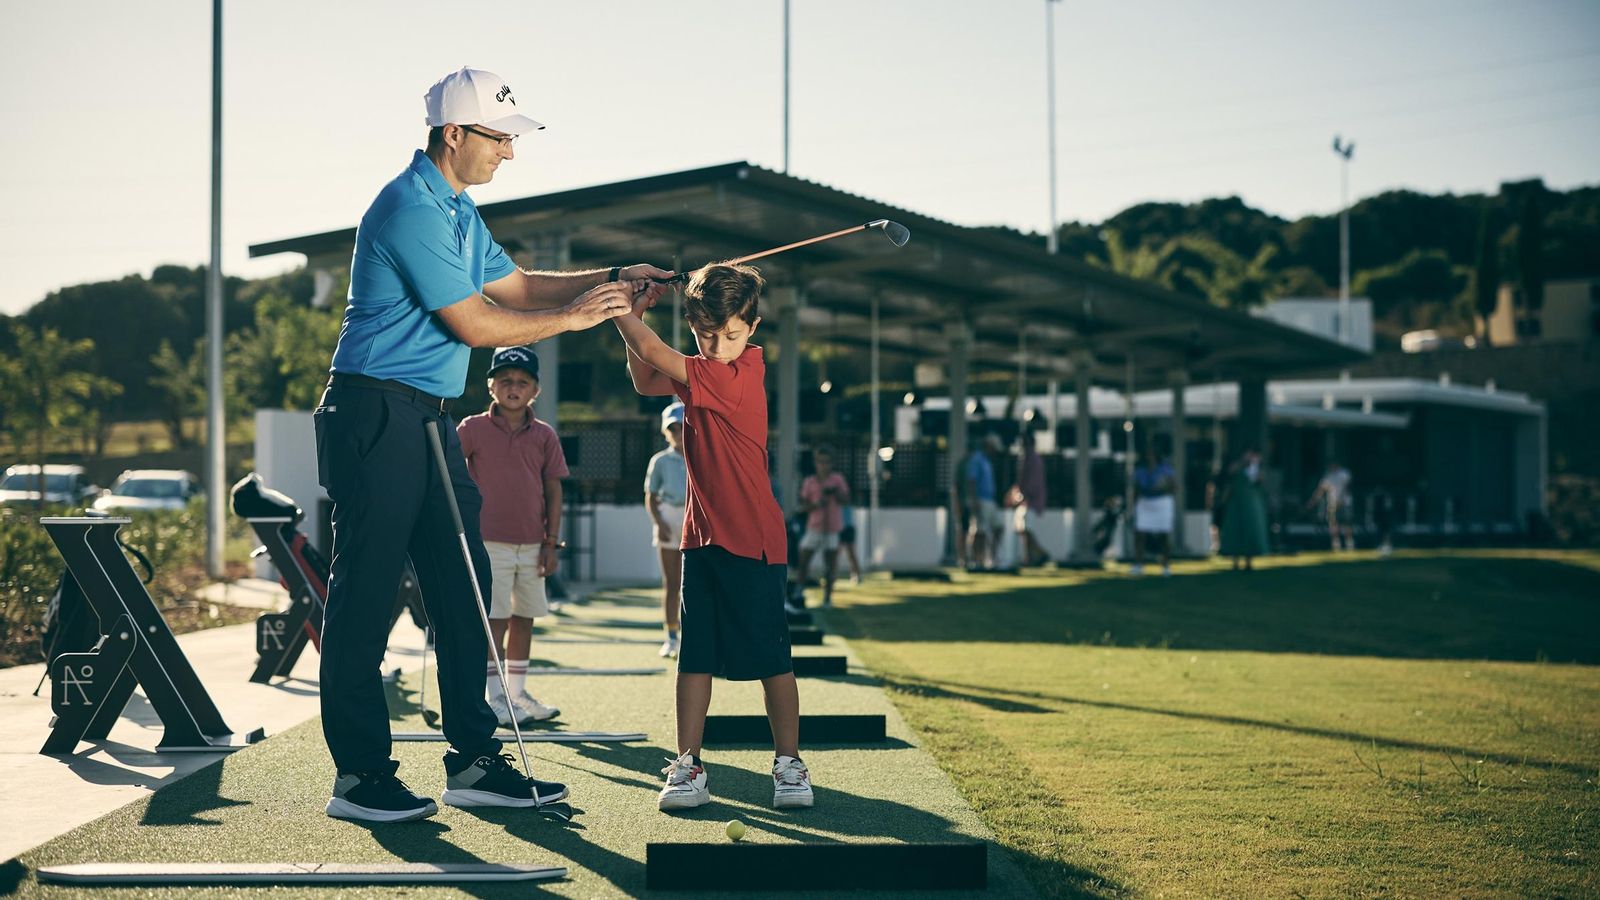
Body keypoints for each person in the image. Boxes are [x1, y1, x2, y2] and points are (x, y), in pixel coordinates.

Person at [314, 66, 672, 823]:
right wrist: (578, 317)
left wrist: (612, 278)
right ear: (454, 133)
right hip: (372, 412)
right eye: (499, 137)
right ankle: (359, 778)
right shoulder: (408, 207)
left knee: (466, 588)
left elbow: (517, 288)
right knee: (367, 595)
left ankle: (474, 762)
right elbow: (475, 324)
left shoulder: (457, 210)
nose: (510, 151)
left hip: (427, 418)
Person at [613, 263, 812, 813]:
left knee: (773, 661)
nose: (719, 347)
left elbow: (653, 351)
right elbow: (645, 378)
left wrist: (620, 309)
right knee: (694, 658)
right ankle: (689, 765)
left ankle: (789, 763)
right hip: (702, 540)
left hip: (754, 541)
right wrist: (635, 315)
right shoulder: (701, 370)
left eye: (731, 334)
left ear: (753, 327)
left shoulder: (736, 374)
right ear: (693, 326)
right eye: (705, 335)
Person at [457, 346, 565, 728]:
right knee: (495, 619)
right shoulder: (472, 428)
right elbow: (450, 474)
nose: (513, 388)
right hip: (488, 543)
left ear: (535, 389)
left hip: (533, 544)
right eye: (505, 380)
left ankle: (517, 693)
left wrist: (551, 542)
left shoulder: (545, 435)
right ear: (491, 386)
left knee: (525, 618)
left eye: (522, 382)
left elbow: (553, 489)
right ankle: (496, 697)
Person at [645, 402, 689, 658]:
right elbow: (650, 496)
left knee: (695, 585)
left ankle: (693, 636)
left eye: (682, 426)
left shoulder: (703, 455)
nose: (678, 432)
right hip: (669, 517)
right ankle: (671, 637)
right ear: (665, 431)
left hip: (696, 519)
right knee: (672, 583)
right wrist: (660, 524)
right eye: (673, 428)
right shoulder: (660, 461)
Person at [795, 447, 851, 608]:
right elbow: (802, 506)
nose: (823, 466)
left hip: (832, 527)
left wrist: (835, 493)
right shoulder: (810, 481)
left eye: (826, 462)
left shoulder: (837, 480)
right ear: (816, 463)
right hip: (814, 526)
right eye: (820, 462)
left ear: (831, 463)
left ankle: (827, 598)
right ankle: (798, 591)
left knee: (830, 566)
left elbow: (846, 499)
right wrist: (816, 504)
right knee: (803, 560)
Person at [1218, 449, 1269, 571]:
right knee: (1235, 529)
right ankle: (1235, 561)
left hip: (1251, 503)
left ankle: (1248, 561)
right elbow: (1229, 475)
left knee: (1250, 530)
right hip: (1236, 503)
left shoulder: (1256, 468)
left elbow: (1260, 481)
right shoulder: (1236, 465)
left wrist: (1256, 466)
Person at [1131, 447, 1176, 577]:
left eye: (1152, 454)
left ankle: (1166, 566)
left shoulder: (1166, 469)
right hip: (1145, 503)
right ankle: (1138, 565)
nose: (1149, 457)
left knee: (1164, 535)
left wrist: (1162, 487)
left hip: (1162, 503)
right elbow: (1136, 488)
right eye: (1147, 455)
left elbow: (1174, 487)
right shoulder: (1140, 471)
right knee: (1140, 534)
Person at [1009, 430, 1050, 566]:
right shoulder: (1027, 459)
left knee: (1026, 530)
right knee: (1023, 530)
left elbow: (1031, 484)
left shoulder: (1032, 460)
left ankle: (1040, 553)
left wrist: (1021, 498)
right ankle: (1030, 557)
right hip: (1026, 500)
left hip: (1030, 501)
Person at [963, 433, 1004, 570]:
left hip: (990, 500)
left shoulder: (987, 461)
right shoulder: (977, 459)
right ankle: (976, 560)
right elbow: (971, 481)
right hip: (979, 500)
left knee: (998, 527)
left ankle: (991, 558)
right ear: (988, 446)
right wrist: (974, 500)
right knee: (979, 531)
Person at [1307, 460, 1355, 552]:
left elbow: (1347, 487)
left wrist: (1340, 500)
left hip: (1345, 503)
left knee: (1347, 523)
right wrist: (1312, 502)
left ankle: (1349, 544)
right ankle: (1336, 546)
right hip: (1332, 504)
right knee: (1333, 524)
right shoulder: (1327, 476)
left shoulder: (1344, 473)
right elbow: (1320, 490)